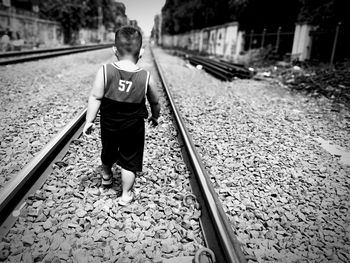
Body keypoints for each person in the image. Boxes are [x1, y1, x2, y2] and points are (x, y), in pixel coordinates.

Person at [83, 26, 160, 206]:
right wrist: (155, 116)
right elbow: (155, 102)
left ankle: (107, 177)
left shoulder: (105, 71)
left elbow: (95, 96)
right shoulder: (146, 77)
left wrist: (89, 120)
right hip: (133, 127)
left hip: (109, 124)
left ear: (114, 50)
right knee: (129, 160)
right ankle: (125, 195)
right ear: (141, 52)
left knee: (108, 150)